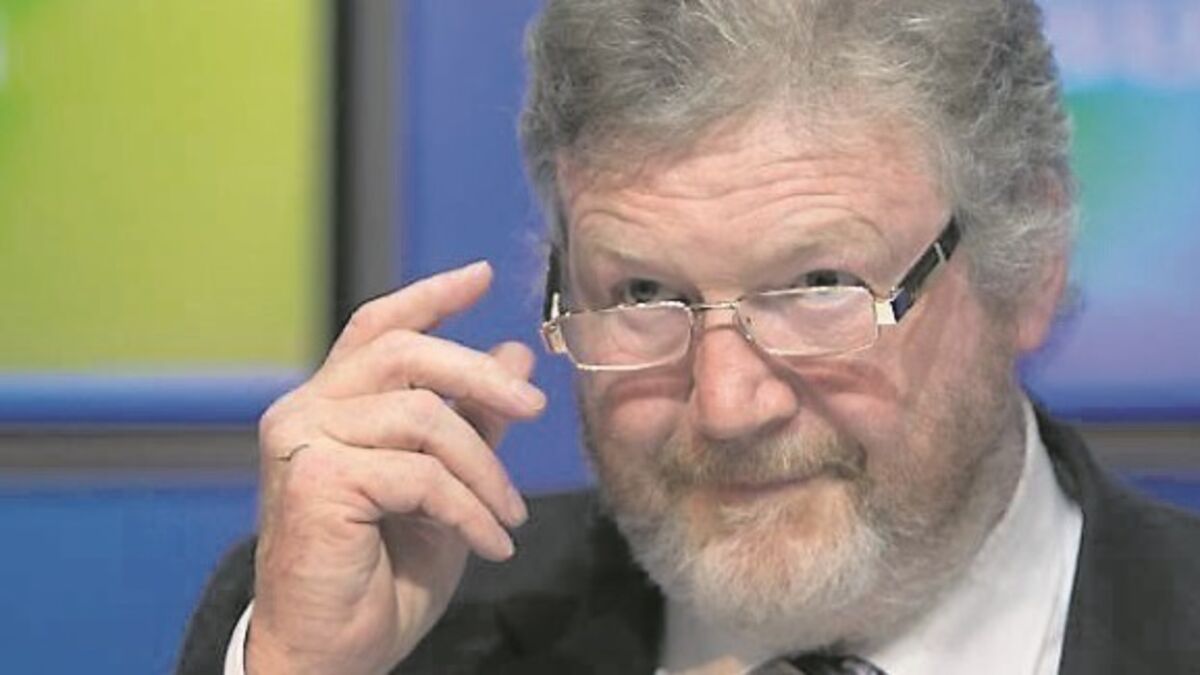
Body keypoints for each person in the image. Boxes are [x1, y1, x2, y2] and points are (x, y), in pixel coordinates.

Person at [178, 1, 1200, 673]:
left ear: (1029, 259)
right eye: (644, 291)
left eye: (818, 285)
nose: (725, 405)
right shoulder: (407, 646)